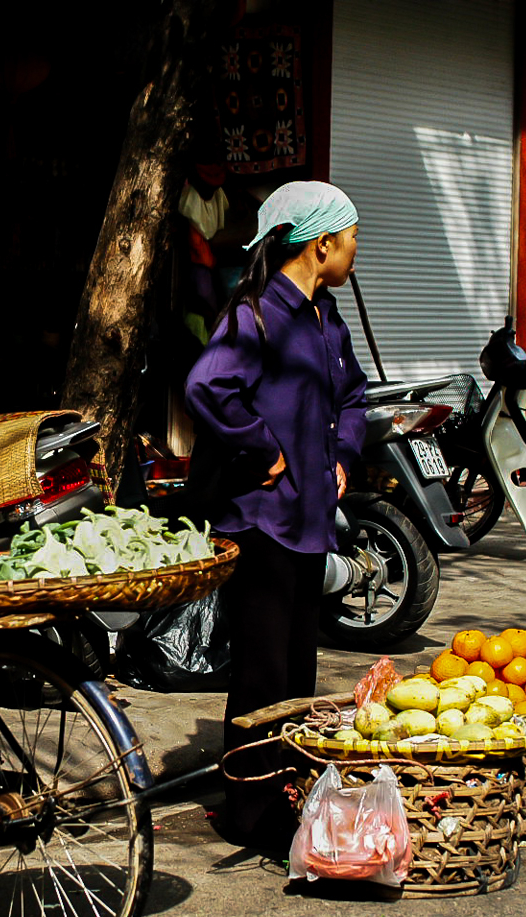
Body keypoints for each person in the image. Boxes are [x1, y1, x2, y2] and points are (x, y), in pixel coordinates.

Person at [184, 180, 367, 848]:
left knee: (298, 671)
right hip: (260, 521)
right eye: (351, 242)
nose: (355, 255)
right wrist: (263, 446)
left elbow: (353, 395)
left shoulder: (327, 319)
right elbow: (208, 386)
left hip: (310, 517)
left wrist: (343, 455)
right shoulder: (259, 314)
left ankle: (289, 793)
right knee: (261, 673)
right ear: (321, 245)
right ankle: (250, 814)